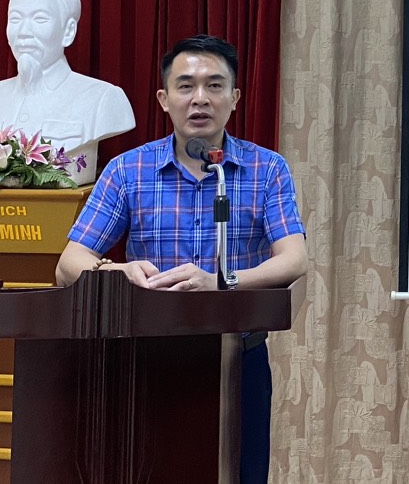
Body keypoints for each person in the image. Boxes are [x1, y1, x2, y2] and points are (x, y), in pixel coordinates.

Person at [55, 34, 307, 484]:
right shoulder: (128, 170)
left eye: (214, 85)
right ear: (164, 99)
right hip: (148, 358)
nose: (200, 99)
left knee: (241, 473)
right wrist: (117, 270)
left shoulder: (266, 169)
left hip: (237, 358)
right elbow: (69, 263)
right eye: (186, 86)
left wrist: (221, 281)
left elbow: (293, 260)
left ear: (235, 98)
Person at [0, 0, 135, 183]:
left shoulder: (103, 98)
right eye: (15, 19)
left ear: (68, 31)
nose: (23, 33)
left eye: (39, 19)